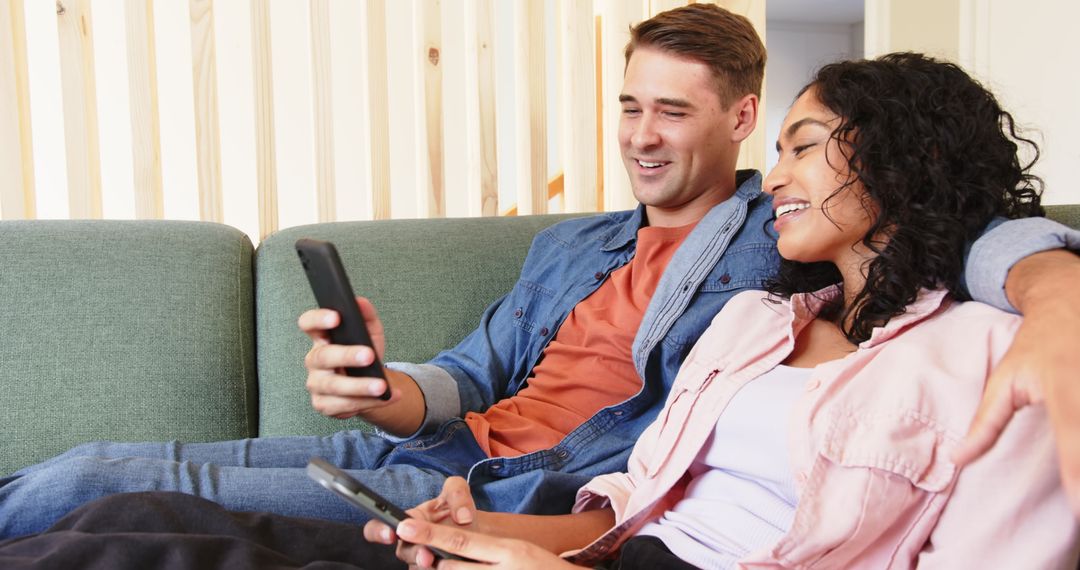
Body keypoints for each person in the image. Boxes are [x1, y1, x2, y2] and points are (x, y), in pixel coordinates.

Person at [1, 4, 1079, 540]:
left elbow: (955, 224)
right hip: (441, 441)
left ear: (741, 118)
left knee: (104, 493)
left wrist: (1057, 297)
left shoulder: (780, 231)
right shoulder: (571, 244)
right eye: (628, 105)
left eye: (673, 110)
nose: (641, 136)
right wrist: (383, 386)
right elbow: (471, 375)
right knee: (107, 455)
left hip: (504, 491)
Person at [366, 52, 1080, 569]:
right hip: (597, 550)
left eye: (803, 147)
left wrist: (1054, 288)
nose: (773, 180)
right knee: (258, 540)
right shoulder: (756, 320)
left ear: (908, 158)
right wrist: (485, 533)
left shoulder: (1009, 353)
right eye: (630, 107)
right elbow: (632, 505)